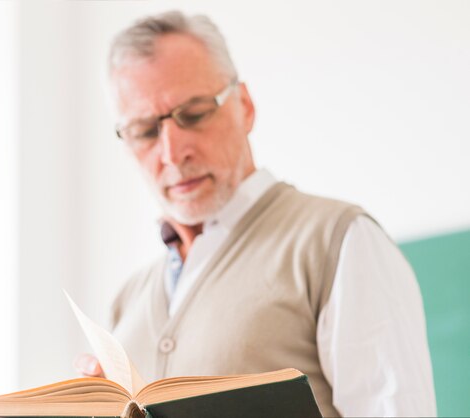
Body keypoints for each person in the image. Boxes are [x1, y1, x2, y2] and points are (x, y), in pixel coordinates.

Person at [75, 10, 436, 417]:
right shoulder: (128, 300)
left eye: (192, 114)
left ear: (244, 106)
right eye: (144, 131)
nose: (173, 153)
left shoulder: (338, 241)